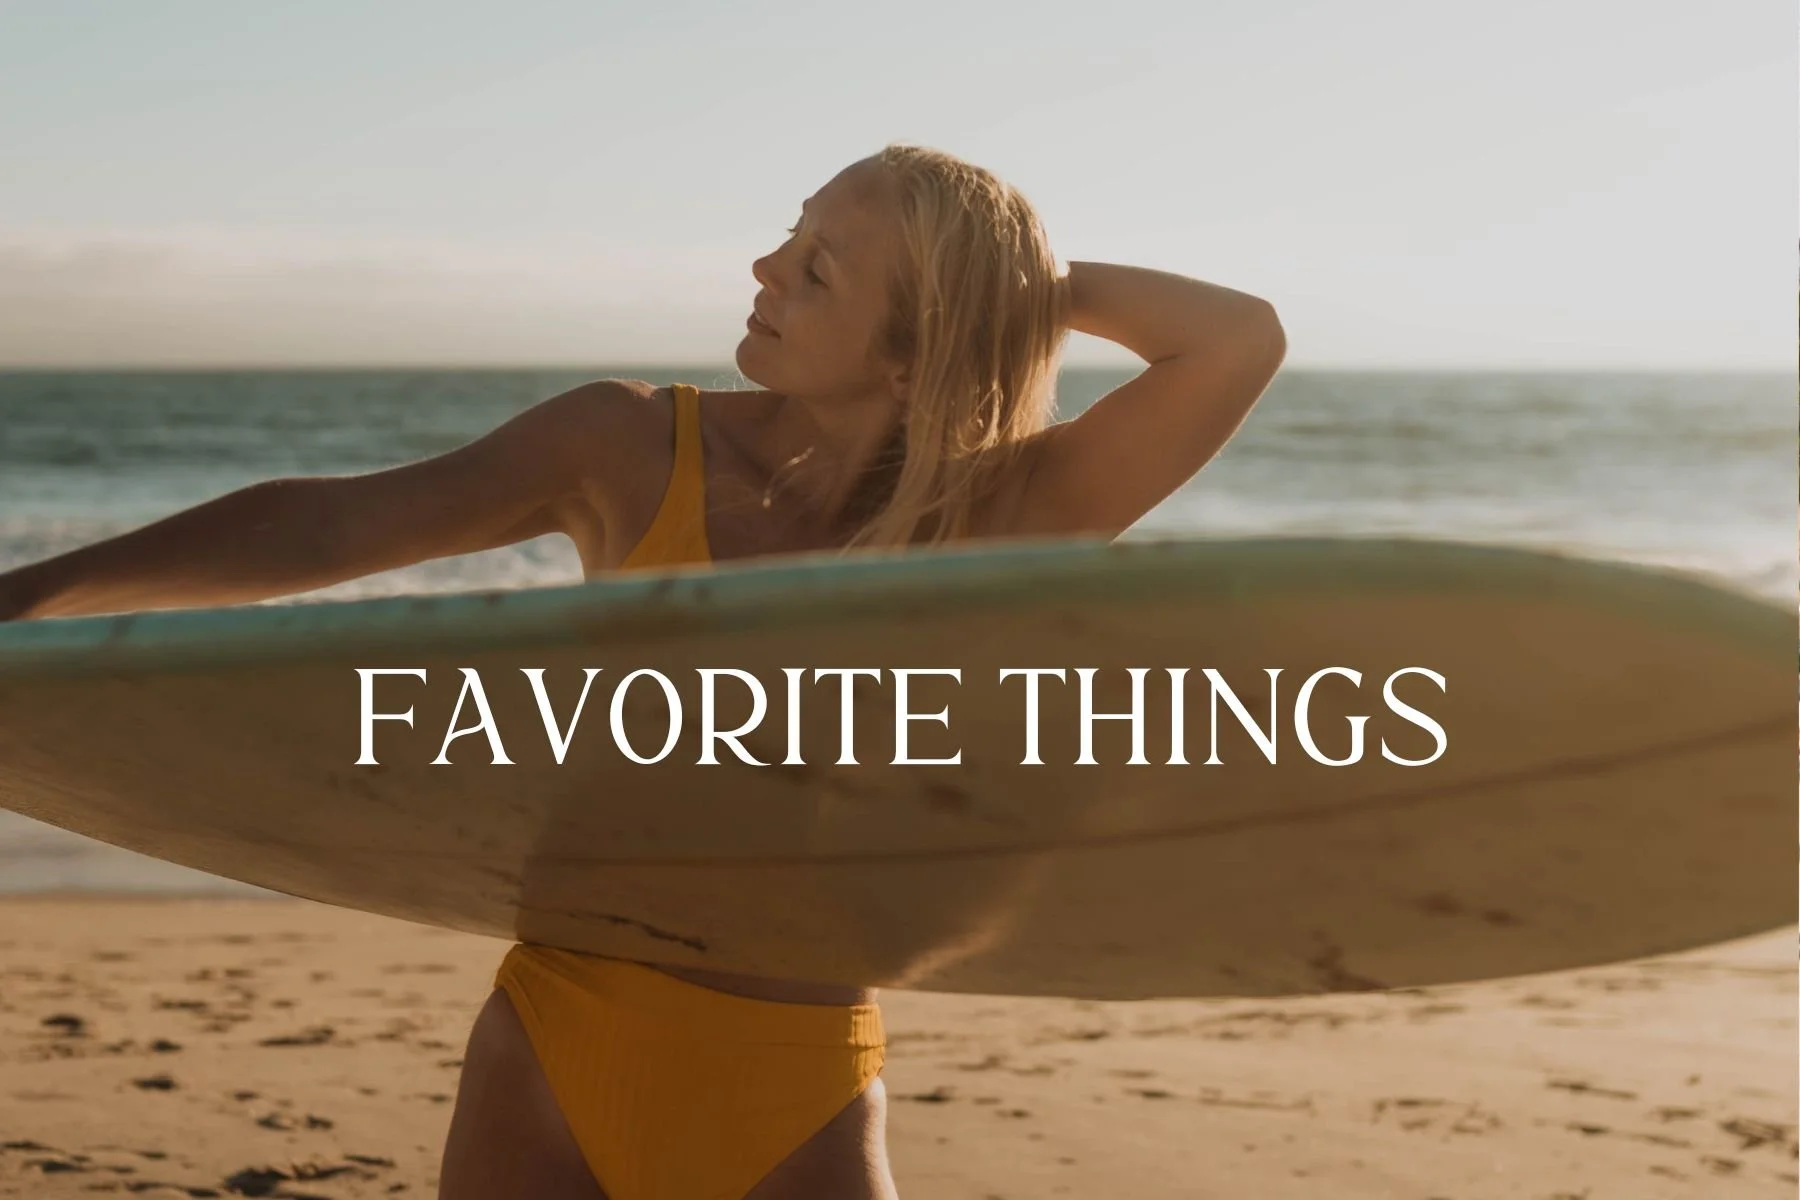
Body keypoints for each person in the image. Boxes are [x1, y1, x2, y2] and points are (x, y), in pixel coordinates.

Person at [0, 144, 1285, 1198]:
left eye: (818, 267)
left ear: (911, 349)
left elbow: (1235, 340)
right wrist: (37, 592)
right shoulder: (627, 444)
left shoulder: (1005, 510)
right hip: (554, 1031)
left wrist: (1019, 289)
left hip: (792, 1074)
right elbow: (334, 524)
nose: (764, 267)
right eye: (791, 233)